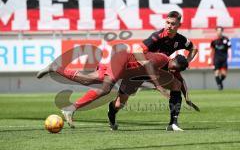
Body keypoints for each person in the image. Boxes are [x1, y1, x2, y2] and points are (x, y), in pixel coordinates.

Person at [37, 50, 189, 129]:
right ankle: (70, 109)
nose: (175, 70)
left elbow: (179, 82)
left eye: (178, 69)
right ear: (173, 60)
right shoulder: (163, 58)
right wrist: (159, 87)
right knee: (105, 88)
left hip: (129, 75)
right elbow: (148, 65)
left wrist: (186, 97)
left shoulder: (170, 70)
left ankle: (56, 68)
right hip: (122, 61)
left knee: (92, 83)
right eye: (176, 66)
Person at [107, 11, 198, 131]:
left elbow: (194, 48)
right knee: (119, 104)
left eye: (173, 23)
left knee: (176, 85)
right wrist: (146, 64)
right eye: (167, 22)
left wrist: (186, 61)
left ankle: (173, 123)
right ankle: (111, 111)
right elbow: (138, 50)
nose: (169, 26)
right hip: (139, 71)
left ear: (178, 25)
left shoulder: (181, 39)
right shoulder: (157, 36)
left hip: (157, 71)